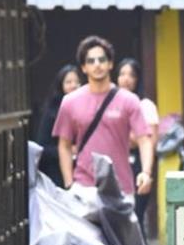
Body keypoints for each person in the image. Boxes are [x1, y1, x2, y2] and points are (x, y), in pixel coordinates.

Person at [54, 36, 152, 202]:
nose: (97, 64)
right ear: (84, 68)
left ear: (110, 64)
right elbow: (64, 145)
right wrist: (69, 183)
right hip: (83, 188)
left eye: (102, 59)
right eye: (91, 61)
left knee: (121, 229)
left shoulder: (129, 100)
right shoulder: (70, 102)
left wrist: (146, 172)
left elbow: (144, 139)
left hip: (121, 187)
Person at [116, 57, 159, 231]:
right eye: (122, 74)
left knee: (136, 218)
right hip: (117, 165)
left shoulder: (145, 106)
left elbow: (150, 141)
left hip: (138, 166)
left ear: (137, 80)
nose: (126, 79)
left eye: (131, 75)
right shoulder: (111, 104)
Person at [34, 64, 81, 187]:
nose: (73, 86)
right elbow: (42, 147)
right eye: (68, 82)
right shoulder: (51, 112)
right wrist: (68, 151)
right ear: (61, 85)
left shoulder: (86, 108)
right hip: (56, 172)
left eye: (77, 82)